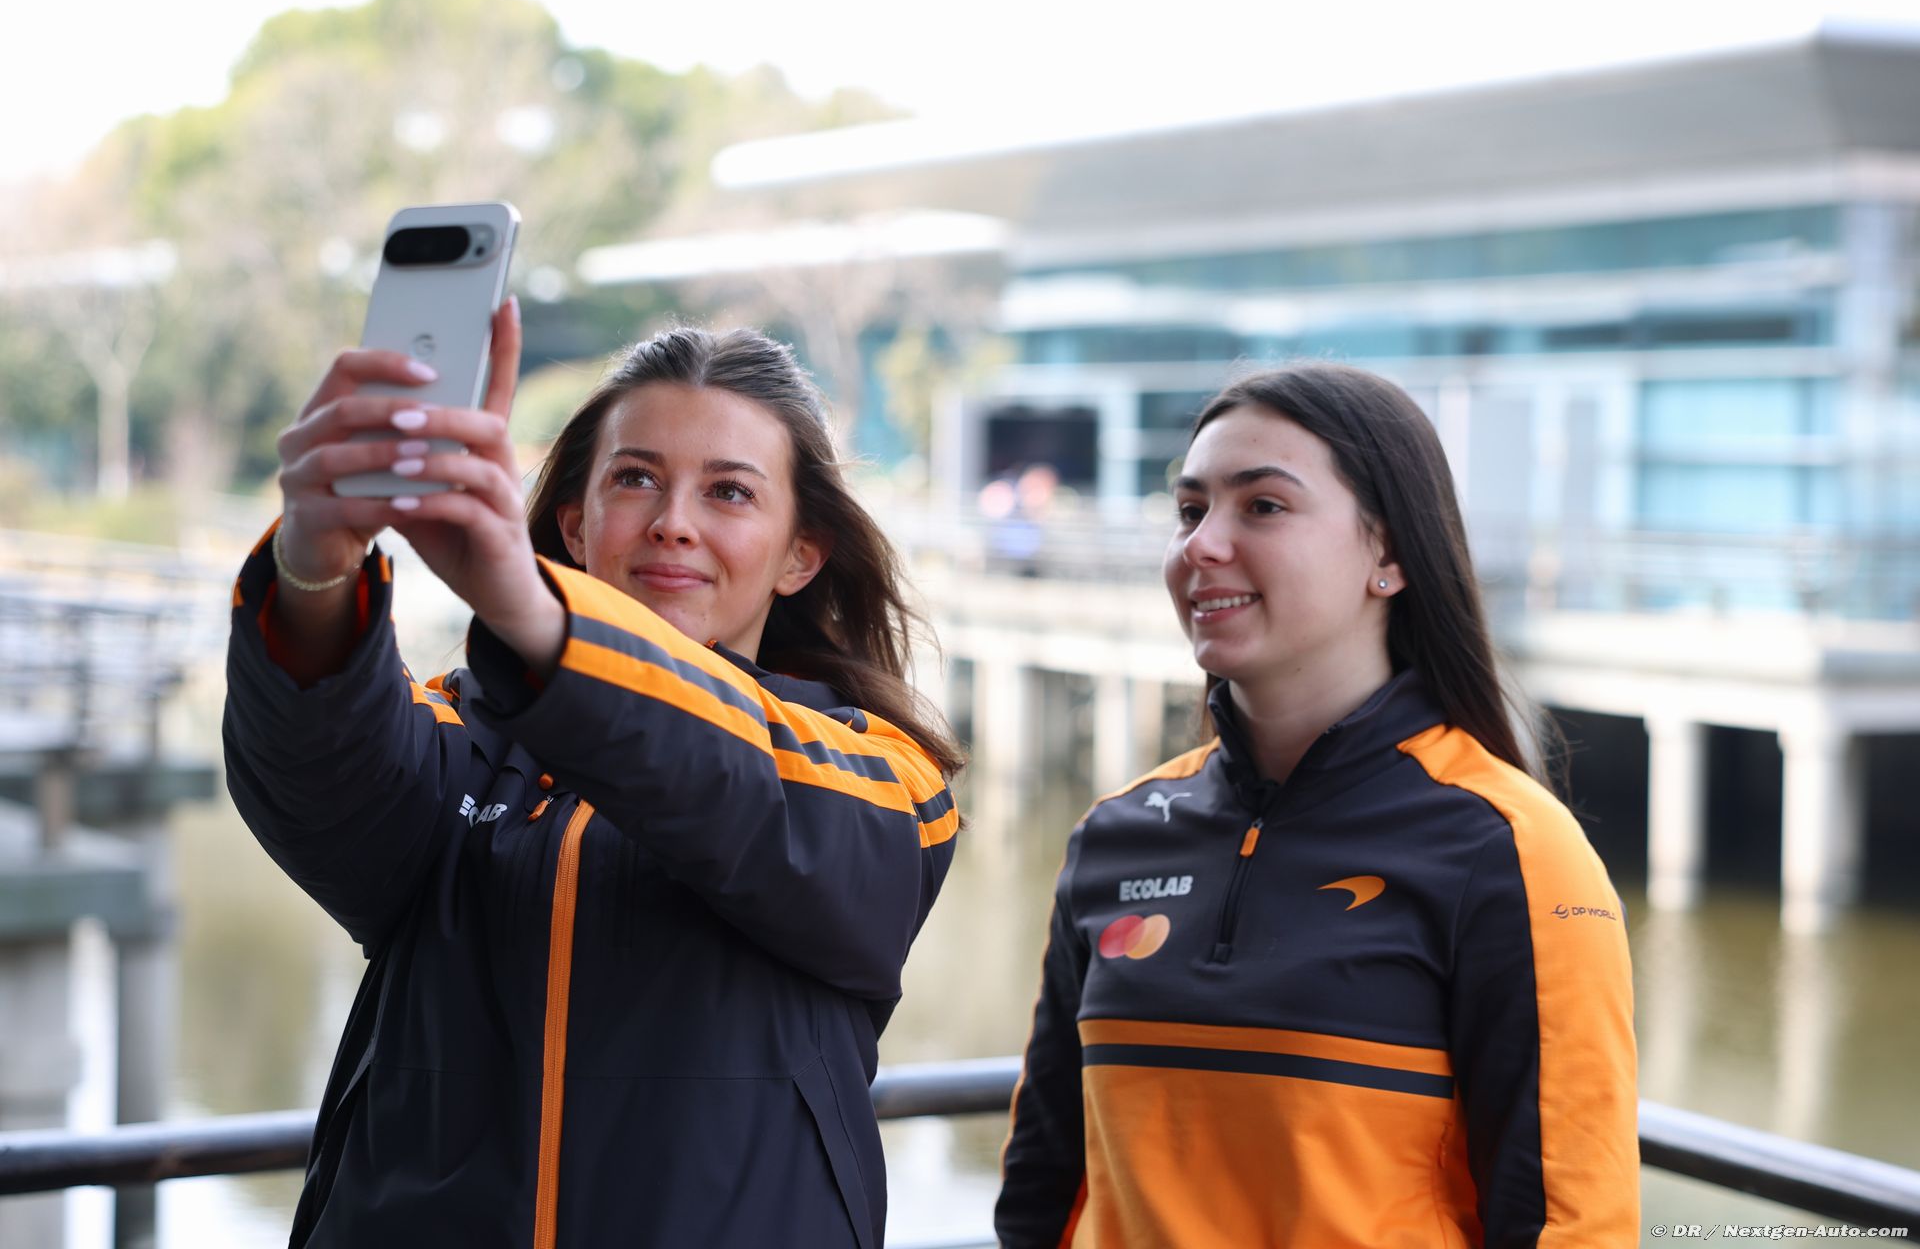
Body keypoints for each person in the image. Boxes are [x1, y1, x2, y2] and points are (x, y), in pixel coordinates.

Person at [225, 304, 964, 1248]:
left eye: (729, 492)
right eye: (635, 478)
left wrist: (538, 618)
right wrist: (315, 561)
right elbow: (317, 772)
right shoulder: (463, 735)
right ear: (576, 527)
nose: (673, 524)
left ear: (801, 555)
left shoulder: (885, 777)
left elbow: (740, 781)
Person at [995, 363, 1637, 1247]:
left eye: (1262, 506)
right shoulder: (1116, 835)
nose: (1203, 545)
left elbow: (1570, 1222)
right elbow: (1043, 1188)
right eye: (1190, 510)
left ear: (1390, 555)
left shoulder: (1511, 850)